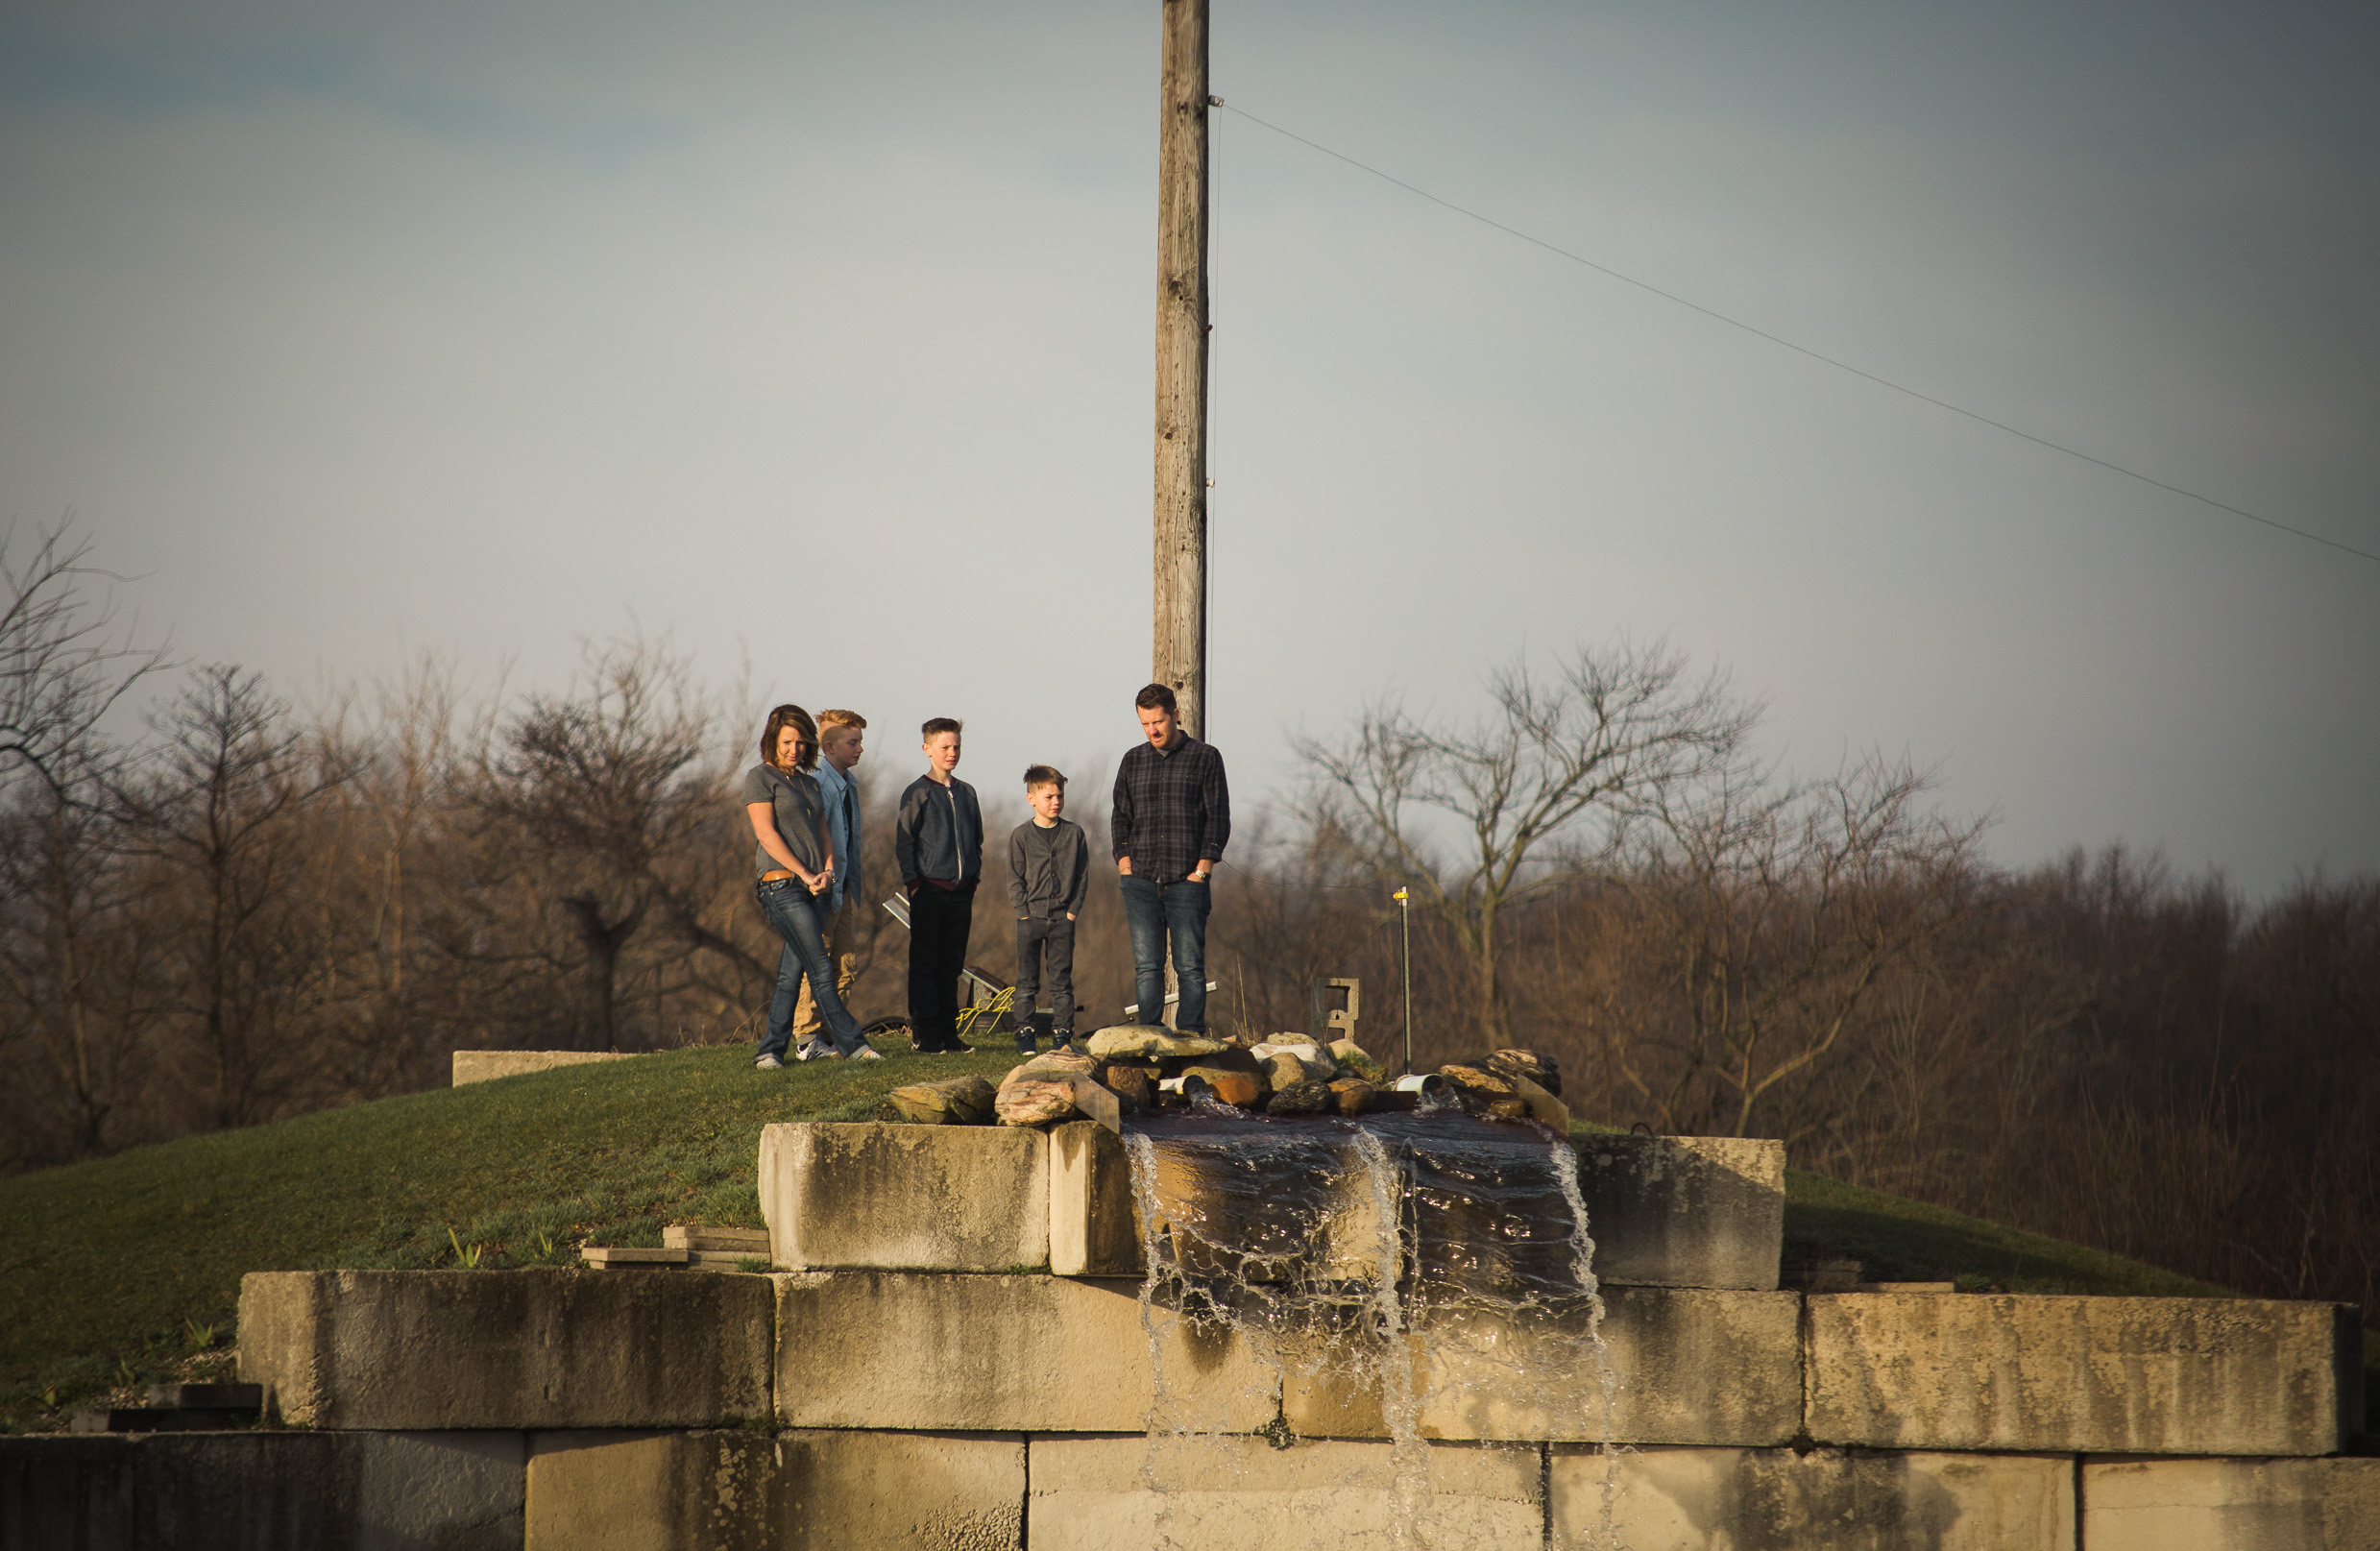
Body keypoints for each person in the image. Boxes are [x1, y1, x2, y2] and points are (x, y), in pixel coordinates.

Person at [741, 704, 880, 1068]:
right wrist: (805, 873)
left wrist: (829, 872)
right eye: (787, 742)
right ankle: (856, 1045)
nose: (794, 749)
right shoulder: (760, 777)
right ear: (772, 740)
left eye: (801, 743)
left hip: (816, 887)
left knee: (792, 973)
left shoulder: (808, 782)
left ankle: (770, 1051)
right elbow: (767, 835)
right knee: (820, 967)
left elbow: (825, 833)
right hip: (780, 886)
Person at [1111, 683, 1230, 1034]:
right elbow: (1120, 816)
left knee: (1190, 966)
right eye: (1145, 724)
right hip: (1141, 881)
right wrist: (1124, 865)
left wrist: (1203, 870)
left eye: (1159, 721)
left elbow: (1218, 818)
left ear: (1175, 715)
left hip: (1187, 882)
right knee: (1147, 966)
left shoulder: (1206, 757)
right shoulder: (1132, 760)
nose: (1153, 730)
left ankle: (1191, 1033)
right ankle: (1148, 1035)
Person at [893, 716, 983, 1054]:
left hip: (962, 893)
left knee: (952, 965)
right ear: (927, 749)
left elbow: (977, 840)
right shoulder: (916, 792)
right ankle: (924, 1034)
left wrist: (973, 878)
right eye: (945, 747)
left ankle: (949, 1032)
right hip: (928, 890)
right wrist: (914, 883)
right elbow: (905, 842)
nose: (952, 753)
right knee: (925, 963)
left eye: (956, 746)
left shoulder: (967, 793)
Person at [790, 709, 867, 1061]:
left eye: (860, 742)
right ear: (829, 747)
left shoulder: (848, 783)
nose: (860, 749)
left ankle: (830, 1034)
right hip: (823, 889)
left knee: (845, 966)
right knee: (817, 963)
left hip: (844, 888)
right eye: (853, 742)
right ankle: (807, 1039)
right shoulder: (819, 783)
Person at [1007, 764, 1090, 1054]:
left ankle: (1063, 1034)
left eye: (1060, 796)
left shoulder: (1074, 834)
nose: (1056, 802)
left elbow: (1082, 876)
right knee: (1027, 981)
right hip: (1030, 920)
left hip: (1062, 919)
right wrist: (1023, 912)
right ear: (1031, 798)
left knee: (1061, 982)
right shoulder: (1020, 836)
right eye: (1049, 797)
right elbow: (1015, 877)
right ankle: (1025, 1033)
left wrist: (1072, 911)